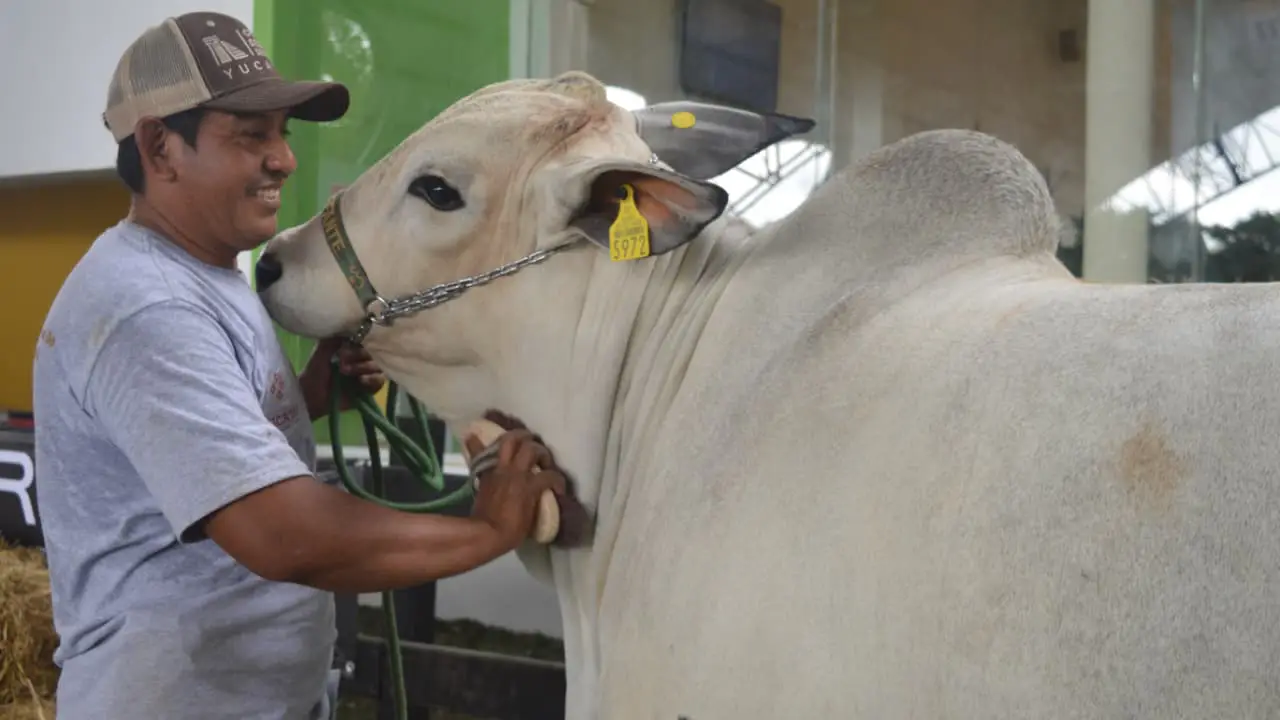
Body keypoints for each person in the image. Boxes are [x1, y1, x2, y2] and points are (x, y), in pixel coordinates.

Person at [31, 10, 565, 720]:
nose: (284, 159)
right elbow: (284, 534)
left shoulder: (206, 272)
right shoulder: (146, 307)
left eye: (282, 133)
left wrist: (310, 396)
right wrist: (486, 531)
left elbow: (190, 452)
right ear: (161, 148)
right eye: (251, 135)